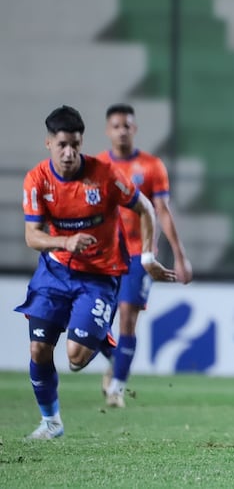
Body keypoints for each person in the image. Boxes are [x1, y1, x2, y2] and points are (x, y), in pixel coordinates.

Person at [16, 105, 176, 440]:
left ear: (82, 141)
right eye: (62, 145)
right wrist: (65, 241)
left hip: (98, 277)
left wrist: (147, 257)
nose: (70, 152)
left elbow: (145, 207)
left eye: (75, 144)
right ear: (49, 144)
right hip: (54, 273)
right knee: (38, 350)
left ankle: (94, 328)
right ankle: (51, 422)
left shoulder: (104, 175)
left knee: (75, 359)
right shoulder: (37, 180)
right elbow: (33, 236)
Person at [97, 103, 193, 408]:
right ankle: (115, 359)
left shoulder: (151, 166)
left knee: (127, 317)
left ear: (134, 129)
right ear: (108, 131)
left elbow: (162, 212)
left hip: (139, 255)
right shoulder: (98, 167)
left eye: (127, 125)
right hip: (103, 256)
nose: (122, 131)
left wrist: (179, 255)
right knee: (95, 325)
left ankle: (117, 389)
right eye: (116, 126)